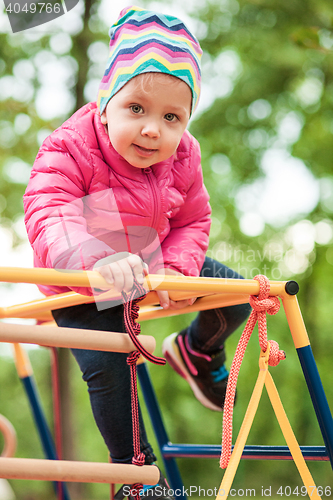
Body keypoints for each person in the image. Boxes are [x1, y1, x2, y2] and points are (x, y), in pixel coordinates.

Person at [24, 5, 251, 498]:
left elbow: (192, 220)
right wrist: (93, 264)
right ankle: (135, 476)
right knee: (110, 363)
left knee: (234, 295)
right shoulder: (69, 146)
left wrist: (177, 269)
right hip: (81, 282)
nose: (154, 129)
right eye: (137, 110)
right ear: (106, 100)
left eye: (173, 117)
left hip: (151, 264)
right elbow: (49, 213)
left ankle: (197, 350)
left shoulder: (184, 155)